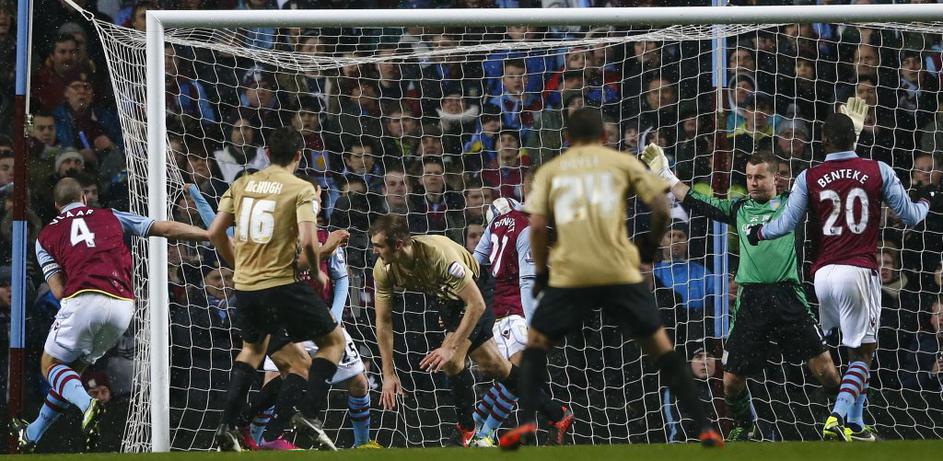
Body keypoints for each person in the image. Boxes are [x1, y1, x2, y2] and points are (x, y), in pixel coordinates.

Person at [498, 108, 724, 449]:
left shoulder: (552, 172)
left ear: (568, 140)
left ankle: (528, 424)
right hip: (617, 270)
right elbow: (661, 208)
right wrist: (648, 248)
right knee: (661, 348)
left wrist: (544, 273)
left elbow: (538, 227)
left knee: (537, 347)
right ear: (604, 138)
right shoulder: (622, 164)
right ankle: (706, 427)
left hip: (573, 273)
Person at [748, 101, 940, 441]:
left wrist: (758, 232)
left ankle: (856, 423)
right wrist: (928, 198)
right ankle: (837, 416)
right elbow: (910, 216)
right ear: (855, 136)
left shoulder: (810, 176)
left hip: (821, 275)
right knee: (864, 352)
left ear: (822, 142)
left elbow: (787, 223)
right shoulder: (878, 169)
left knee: (847, 351)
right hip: (858, 271)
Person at [643, 145, 842, 441]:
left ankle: (845, 418)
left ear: (777, 179)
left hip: (788, 297)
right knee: (732, 381)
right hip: (751, 302)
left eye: (759, 177)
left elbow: (832, 183)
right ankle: (744, 425)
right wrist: (665, 174)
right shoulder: (738, 209)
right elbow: (698, 200)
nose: (752, 183)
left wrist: (845, 146)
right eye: (749, 177)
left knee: (826, 371)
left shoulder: (794, 205)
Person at [12, 177, 208, 452]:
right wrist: (207, 234)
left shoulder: (44, 237)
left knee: (50, 366)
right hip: (122, 306)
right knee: (69, 372)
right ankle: (32, 435)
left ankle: (87, 404)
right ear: (83, 198)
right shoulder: (110, 215)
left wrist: (79, 267)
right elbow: (161, 227)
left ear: (57, 206)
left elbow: (57, 291)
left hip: (82, 301)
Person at [208, 126, 347, 451]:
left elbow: (215, 233)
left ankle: (227, 425)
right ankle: (309, 414)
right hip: (282, 283)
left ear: (266, 154)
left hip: (245, 286)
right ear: (299, 156)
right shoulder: (300, 189)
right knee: (333, 341)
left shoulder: (241, 184)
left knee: (252, 350)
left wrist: (238, 265)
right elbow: (310, 242)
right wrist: (317, 271)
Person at [370, 214, 553, 447]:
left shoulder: (439, 254)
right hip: (447, 301)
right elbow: (383, 321)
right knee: (495, 366)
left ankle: (466, 430)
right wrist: (388, 374)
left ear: (397, 245)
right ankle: (557, 414)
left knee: (452, 360)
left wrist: (452, 346)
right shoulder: (383, 269)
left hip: (477, 291)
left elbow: (476, 304)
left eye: (378, 246)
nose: (374, 251)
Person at [468, 197, 574, 446]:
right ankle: (483, 431)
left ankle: (477, 428)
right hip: (516, 309)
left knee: (512, 376)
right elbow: (527, 279)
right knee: (514, 378)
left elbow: (474, 261)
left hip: (500, 309)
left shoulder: (494, 225)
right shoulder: (524, 224)